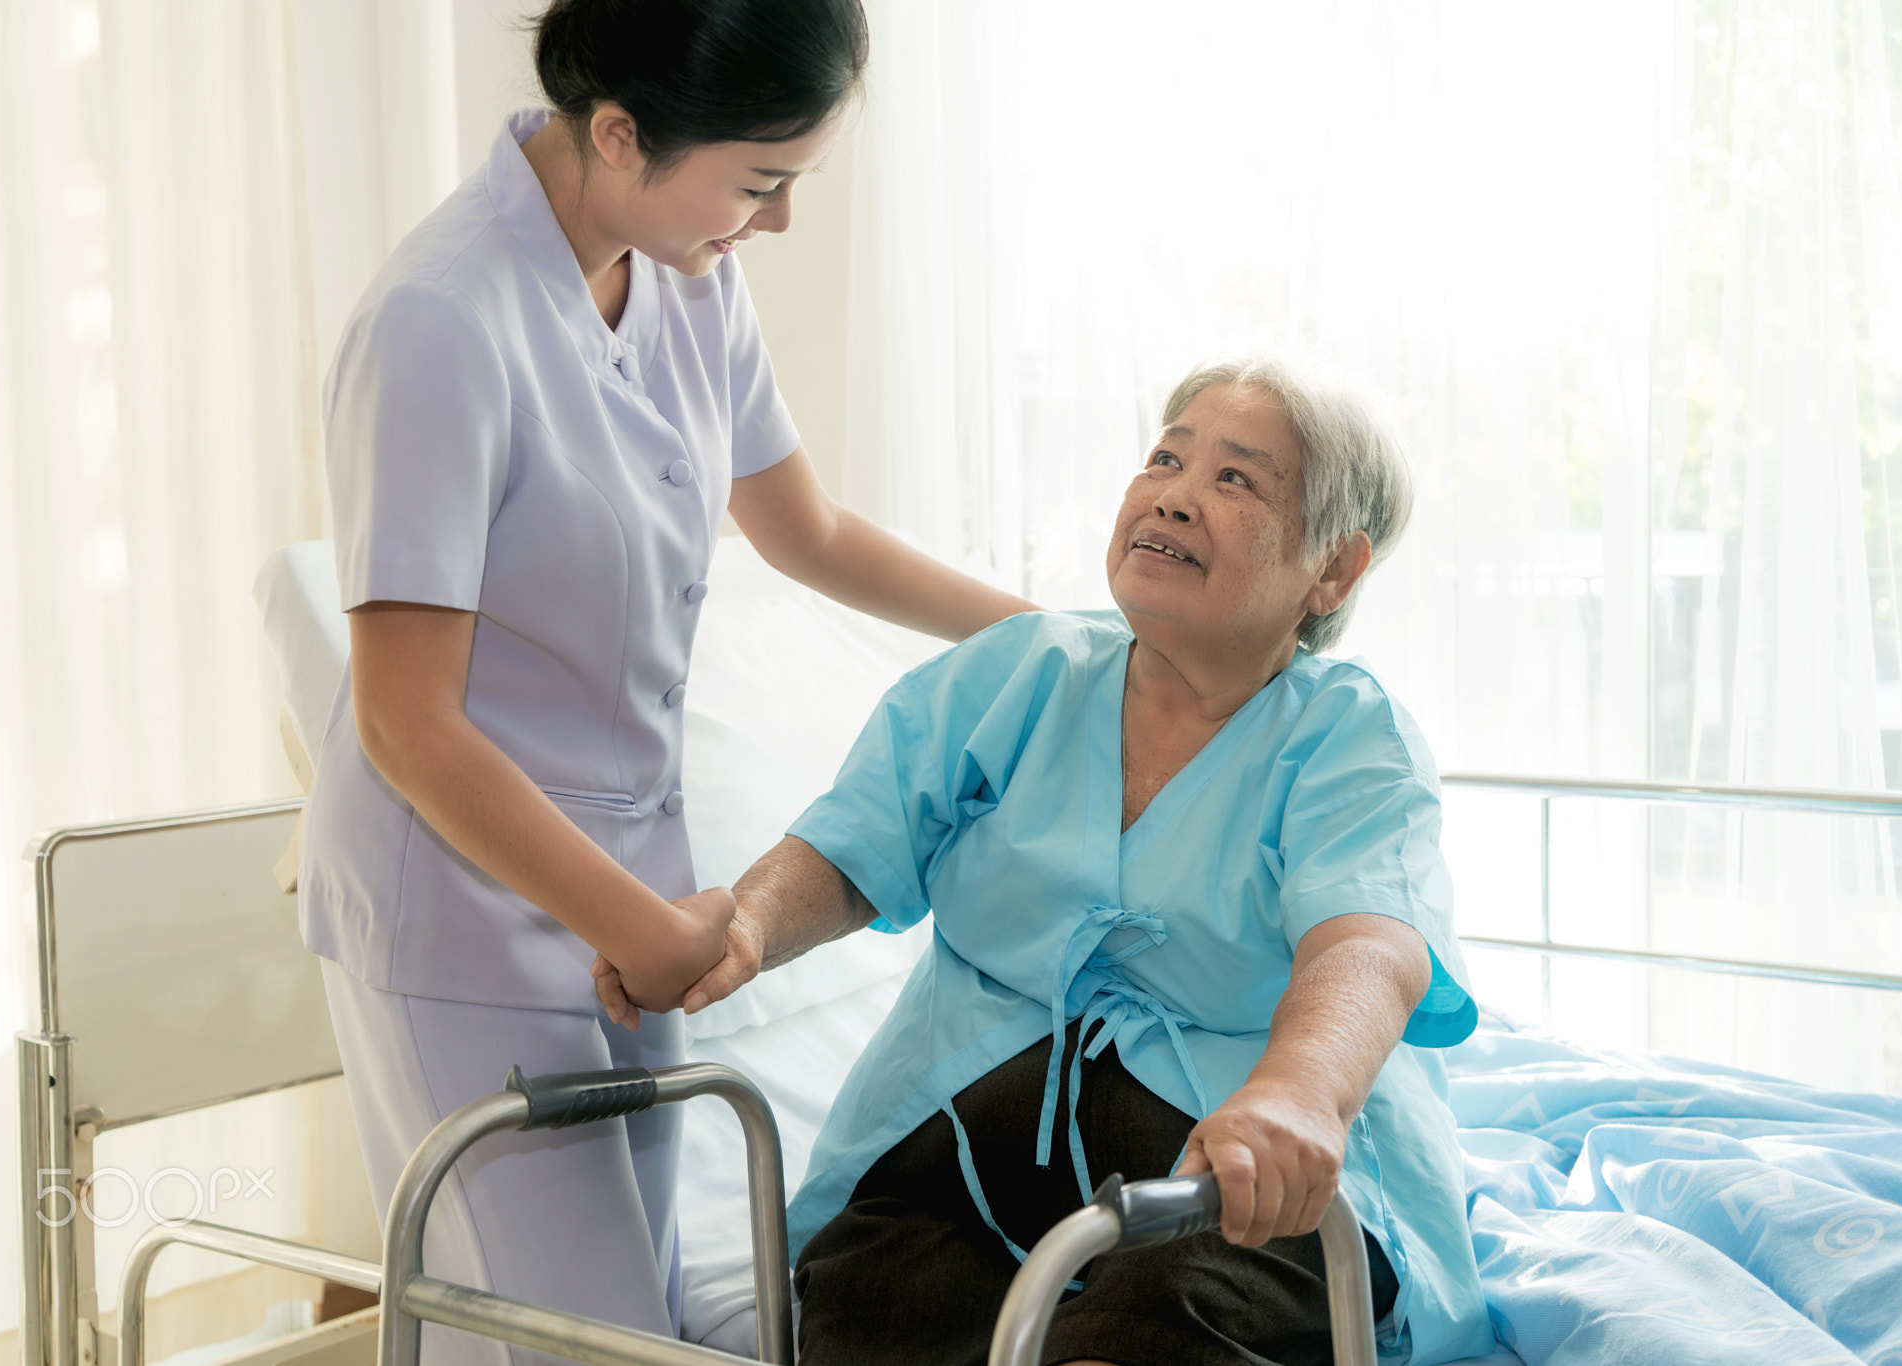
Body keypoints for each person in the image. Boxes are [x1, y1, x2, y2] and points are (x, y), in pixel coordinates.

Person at [299, 1, 1033, 1360]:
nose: (779, 222)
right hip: (466, 907)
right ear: (623, 133)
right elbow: (405, 719)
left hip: (629, 901)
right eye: (762, 181)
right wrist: (636, 922)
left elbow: (807, 533)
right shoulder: (439, 321)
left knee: (636, 1330)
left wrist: (1058, 640)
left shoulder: (685, 266)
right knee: (582, 1341)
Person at [601, 355, 1498, 1365]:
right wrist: (748, 924)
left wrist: (1297, 1092)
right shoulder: (1013, 672)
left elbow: (1366, 944)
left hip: (1228, 1154)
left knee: (1177, 1309)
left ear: (1331, 570)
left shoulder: (1346, 736)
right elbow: (853, 840)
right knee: (871, 1303)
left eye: (1234, 478)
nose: (1174, 496)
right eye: (1165, 458)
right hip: (965, 1138)